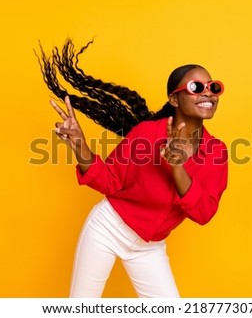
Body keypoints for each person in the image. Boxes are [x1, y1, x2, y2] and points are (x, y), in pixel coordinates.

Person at [38, 39, 228, 297]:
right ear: (174, 98)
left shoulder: (217, 152)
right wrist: (79, 144)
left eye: (213, 87)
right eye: (197, 87)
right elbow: (110, 181)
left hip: (149, 248)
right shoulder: (147, 135)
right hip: (107, 229)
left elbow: (204, 213)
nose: (208, 93)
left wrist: (177, 168)